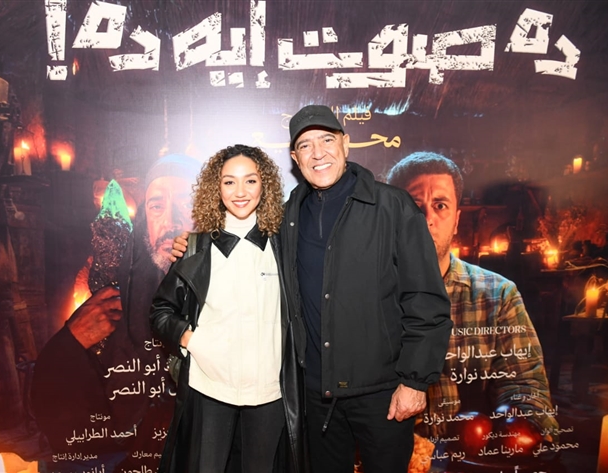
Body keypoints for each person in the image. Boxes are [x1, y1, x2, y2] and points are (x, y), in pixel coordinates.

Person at [171, 106, 452, 472]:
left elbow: (426, 301)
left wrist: (415, 382)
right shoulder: (288, 215)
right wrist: (193, 245)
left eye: (326, 140)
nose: (318, 153)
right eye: (305, 145)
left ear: (346, 144)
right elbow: (238, 235)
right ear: (295, 158)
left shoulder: (392, 207)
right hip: (316, 399)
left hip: (382, 395)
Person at [31, 154, 201, 472]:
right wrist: (70, 343)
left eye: (186, 202)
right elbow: (64, 417)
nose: (172, 221)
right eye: (156, 206)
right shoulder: (118, 300)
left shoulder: (238, 288)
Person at [386, 152, 559, 455]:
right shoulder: (365, 298)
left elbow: (526, 389)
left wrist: (516, 432)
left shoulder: (498, 296)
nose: (427, 218)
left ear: (456, 220)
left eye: (440, 205)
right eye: (413, 205)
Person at [150, 144, 307, 473]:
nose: (240, 192)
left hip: (269, 393)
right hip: (209, 388)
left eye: (250, 181)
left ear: (264, 185)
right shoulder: (194, 248)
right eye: (229, 182)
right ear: (216, 188)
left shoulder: (284, 246)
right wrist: (194, 341)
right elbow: (161, 312)